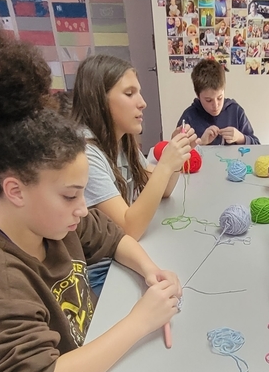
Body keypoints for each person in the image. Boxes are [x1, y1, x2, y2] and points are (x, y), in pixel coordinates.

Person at [0, 33, 182, 372]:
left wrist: (150, 269)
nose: (83, 209)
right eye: (70, 196)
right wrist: (139, 321)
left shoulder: (55, 222)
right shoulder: (3, 276)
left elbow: (114, 237)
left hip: (85, 342)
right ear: (15, 191)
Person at [71, 56, 196, 283]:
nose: (142, 103)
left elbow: (163, 190)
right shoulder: (86, 153)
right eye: (129, 94)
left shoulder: (122, 141)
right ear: (98, 100)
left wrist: (176, 159)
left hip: (122, 256)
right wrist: (165, 164)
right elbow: (129, 229)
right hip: (101, 270)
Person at [176, 57, 260, 145]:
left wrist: (241, 138)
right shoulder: (189, 117)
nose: (216, 105)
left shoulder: (236, 112)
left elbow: (257, 146)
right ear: (198, 96)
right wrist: (201, 143)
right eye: (208, 100)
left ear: (224, 90)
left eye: (220, 98)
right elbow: (177, 155)